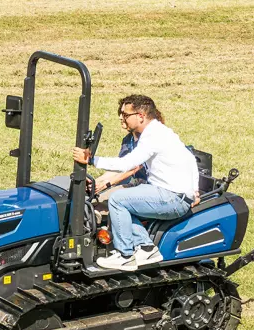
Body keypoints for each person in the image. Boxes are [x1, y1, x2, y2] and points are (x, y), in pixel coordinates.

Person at [72, 95, 199, 271]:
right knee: (126, 201)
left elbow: (127, 164)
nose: (121, 118)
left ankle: (124, 255)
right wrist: (194, 189)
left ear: (140, 116)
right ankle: (146, 248)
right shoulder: (160, 131)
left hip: (171, 198)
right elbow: (190, 159)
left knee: (117, 200)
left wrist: (91, 159)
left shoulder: (153, 135)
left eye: (125, 114)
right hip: (166, 192)